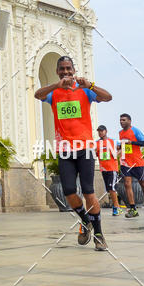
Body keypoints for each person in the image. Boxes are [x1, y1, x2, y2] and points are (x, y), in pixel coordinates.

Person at [34, 56, 112, 251]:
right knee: (68, 192)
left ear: (74, 70)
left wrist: (90, 85)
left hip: (84, 148)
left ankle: (99, 235)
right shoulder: (54, 93)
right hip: (64, 150)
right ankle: (86, 221)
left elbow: (108, 97)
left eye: (69, 68)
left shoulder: (85, 90)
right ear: (58, 71)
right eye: (62, 69)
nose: (66, 72)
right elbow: (37, 94)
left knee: (88, 192)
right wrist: (55, 85)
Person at [119, 113, 144, 219]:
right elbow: (123, 146)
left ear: (129, 121)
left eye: (124, 120)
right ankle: (133, 209)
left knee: (143, 184)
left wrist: (131, 142)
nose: (121, 122)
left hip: (137, 163)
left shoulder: (136, 131)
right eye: (120, 120)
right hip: (125, 163)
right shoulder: (120, 133)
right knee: (127, 184)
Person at [95, 125, 119, 216]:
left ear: (106, 131)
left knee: (112, 188)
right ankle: (116, 205)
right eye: (99, 131)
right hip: (103, 168)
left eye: (102, 131)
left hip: (112, 168)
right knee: (109, 189)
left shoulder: (112, 141)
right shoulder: (97, 143)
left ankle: (116, 208)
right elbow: (96, 154)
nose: (100, 133)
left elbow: (121, 149)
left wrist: (116, 154)